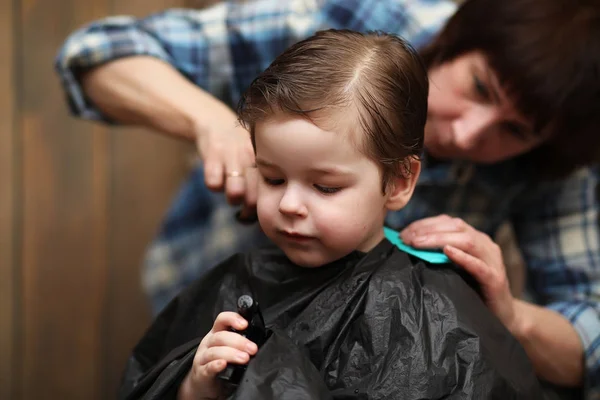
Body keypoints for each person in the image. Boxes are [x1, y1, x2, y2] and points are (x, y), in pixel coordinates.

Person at [54, 0, 600, 396]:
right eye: (272, 179)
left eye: (326, 186)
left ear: (398, 182)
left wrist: (510, 317)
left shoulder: (556, 163)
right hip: (203, 282)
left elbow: (588, 334)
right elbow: (95, 52)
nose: (466, 136)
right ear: (458, 37)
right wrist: (211, 123)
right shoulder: (341, 24)